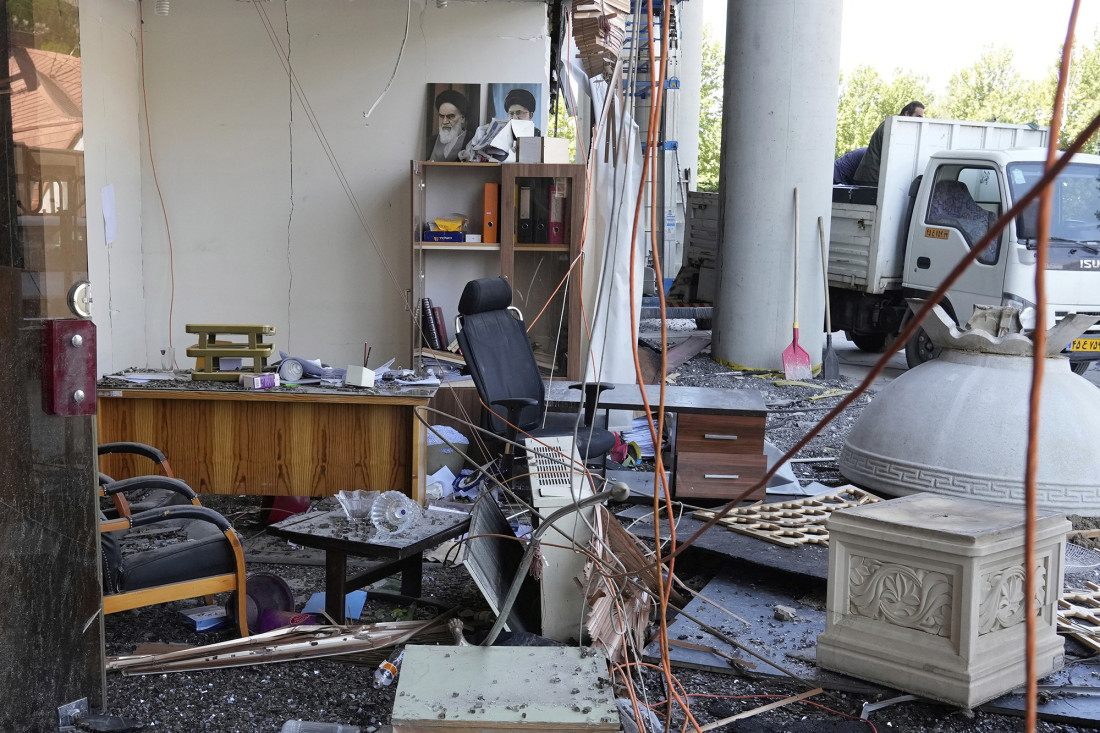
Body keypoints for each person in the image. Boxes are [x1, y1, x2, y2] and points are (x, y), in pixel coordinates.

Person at [852, 100, 925, 186]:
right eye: (918, 117)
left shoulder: (892, 125)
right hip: (871, 179)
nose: (920, 121)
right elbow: (892, 157)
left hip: (872, 177)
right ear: (907, 113)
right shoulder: (891, 128)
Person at [428, 89, 475, 162]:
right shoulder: (430, 142)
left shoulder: (472, 141)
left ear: (462, 118)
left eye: (451, 116)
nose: (445, 122)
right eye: (441, 116)